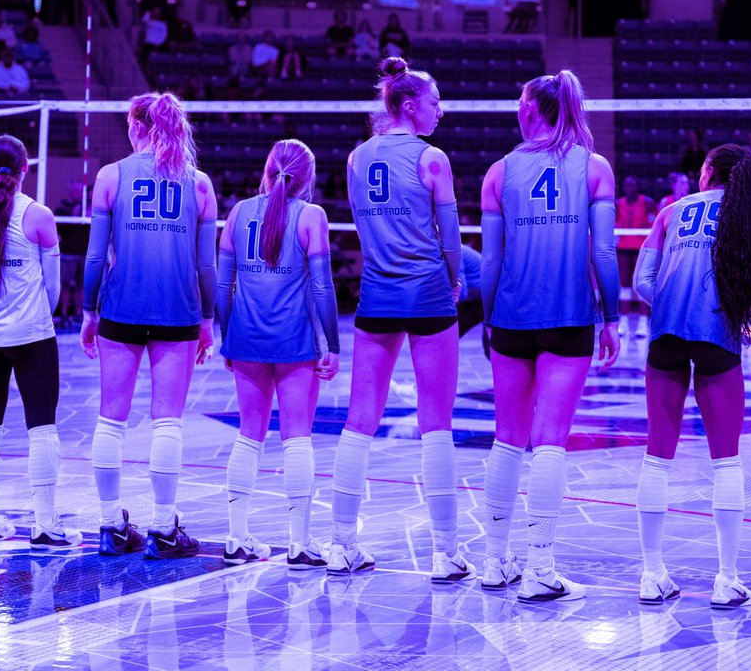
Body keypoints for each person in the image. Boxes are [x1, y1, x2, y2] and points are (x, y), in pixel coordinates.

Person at [478, 71, 621, 601]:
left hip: (512, 316)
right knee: (550, 439)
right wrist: (611, 316)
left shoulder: (499, 172)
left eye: (520, 101)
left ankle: (494, 561)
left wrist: (489, 318)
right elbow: (603, 253)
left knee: (507, 437)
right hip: (568, 316)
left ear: (536, 109)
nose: (517, 108)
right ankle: (538, 568)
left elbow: (491, 260)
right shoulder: (595, 167)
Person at [328, 57, 471, 582]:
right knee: (437, 423)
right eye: (435, 101)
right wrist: (455, 278)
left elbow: (365, 231)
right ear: (410, 106)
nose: (442, 110)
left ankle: (341, 544)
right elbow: (451, 236)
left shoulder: (355, 157)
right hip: (429, 294)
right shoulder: (433, 158)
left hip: (378, 295)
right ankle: (445, 552)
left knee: (359, 419)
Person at [632, 143, 751, 609]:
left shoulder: (670, 211)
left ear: (710, 171)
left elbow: (640, 281)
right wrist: (729, 309)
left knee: (657, 455)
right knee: (725, 459)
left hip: (667, 332)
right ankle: (726, 580)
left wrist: (674, 304)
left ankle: (651, 574)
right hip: (718, 333)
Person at [81, 92, 218, 558]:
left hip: (120, 308)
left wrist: (87, 312)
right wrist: (207, 320)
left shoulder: (109, 176)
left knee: (110, 419)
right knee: (167, 422)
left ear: (137, 126)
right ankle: (163, 528)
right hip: (177, 312)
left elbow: (96, 254)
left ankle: (108, 525)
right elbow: (207, 267)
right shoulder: (199, 184)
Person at [216, 139, 340, 568]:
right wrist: (334, 345)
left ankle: (235, 539)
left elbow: (221, 285)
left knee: (248, 435)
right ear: (307, 181)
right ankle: (299, 543)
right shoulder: (311, 216)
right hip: (294, 343)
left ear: (267, 170)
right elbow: (323, 287)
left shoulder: (236, 213)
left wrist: (225, 334)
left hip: (246, 339)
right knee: (297, 436)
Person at [0, 135, 81, 549]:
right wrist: (34, 319)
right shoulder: (38, 215)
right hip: (30, 335)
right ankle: (44, 524)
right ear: (26, 168)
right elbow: (52, 289)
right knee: (42, 428)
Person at [615, 176, 656, 338]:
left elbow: (653, 225)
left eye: (632, 184)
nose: (629, 187)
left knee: (641, 284)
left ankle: (642, 325)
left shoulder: (647, 202)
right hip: (624, 248)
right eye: (626, 185)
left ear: (637, 186)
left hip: (641, 248)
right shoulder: (618, 203)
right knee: (624, 284)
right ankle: (623, 324)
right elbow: (615, 224)